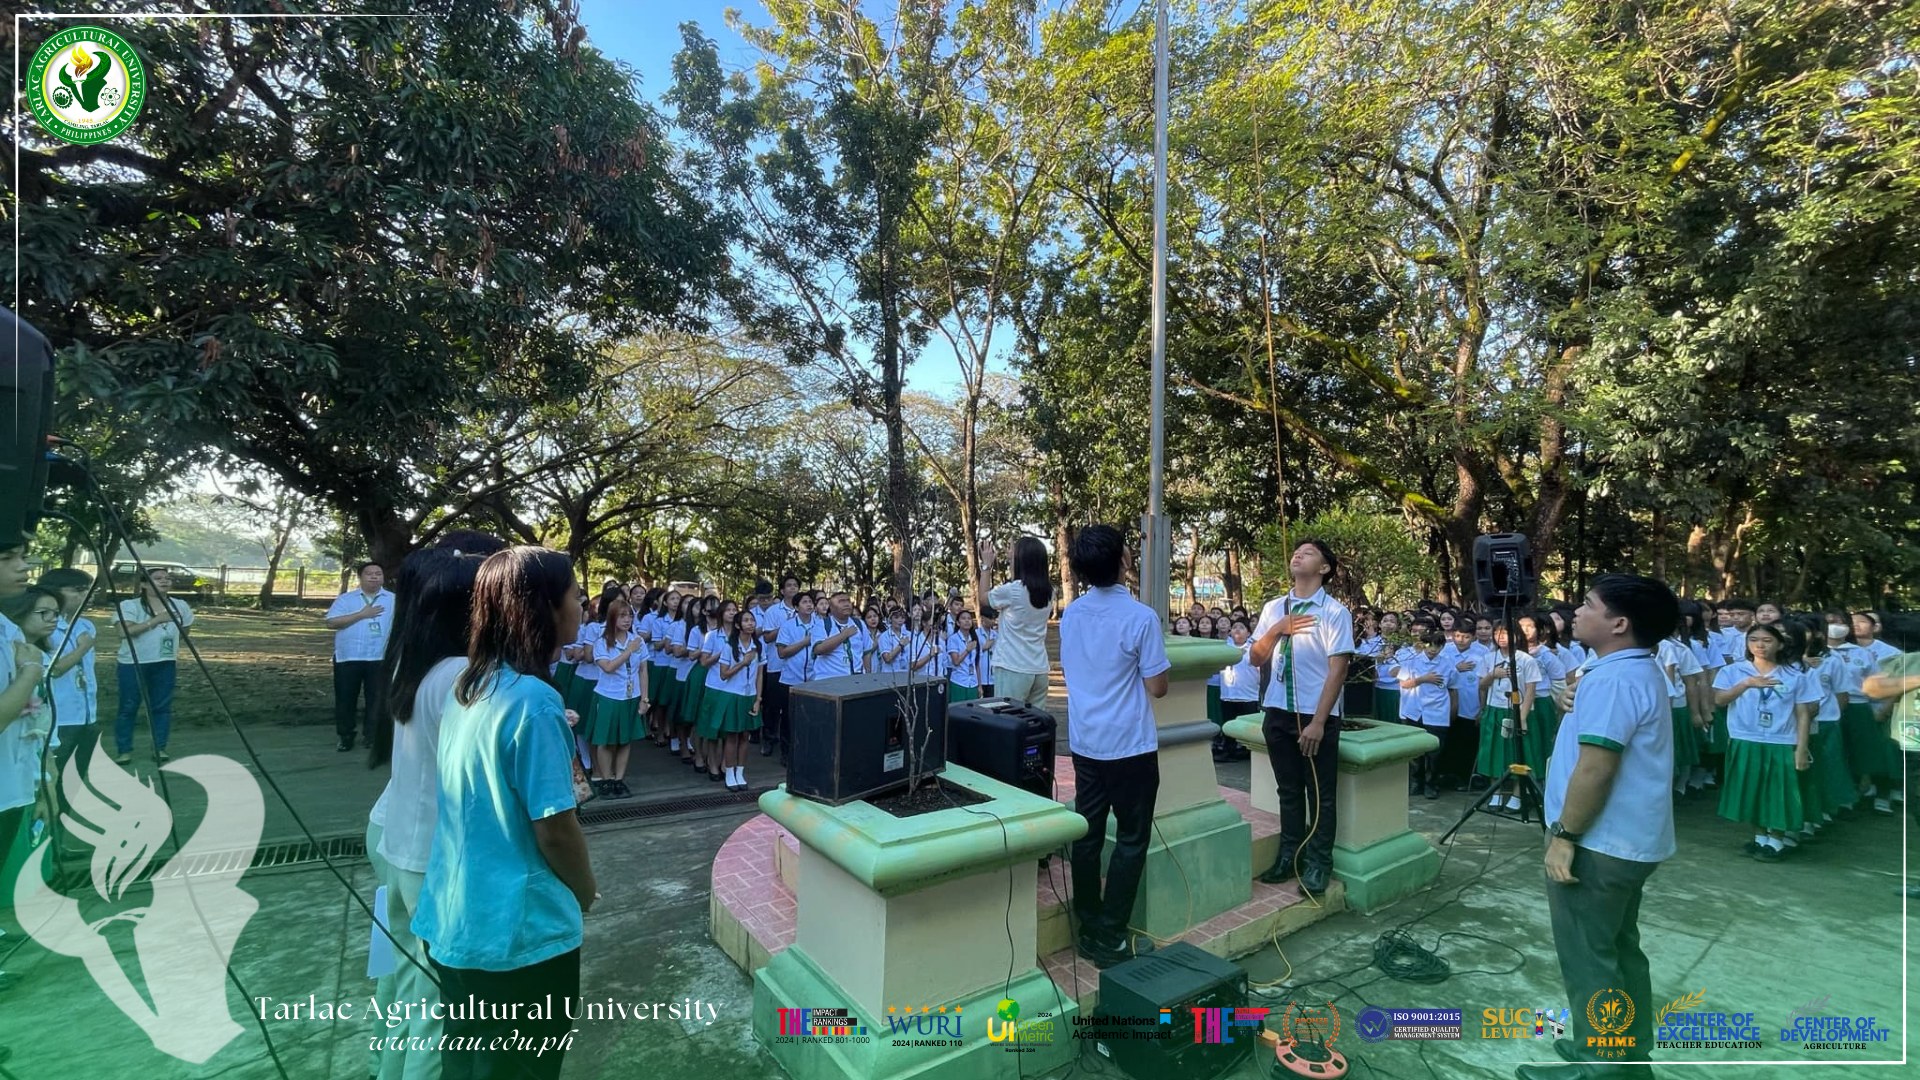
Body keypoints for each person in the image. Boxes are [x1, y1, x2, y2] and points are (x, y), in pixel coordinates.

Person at [412, 547, 595, 1080]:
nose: (582, 603)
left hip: (455, 916)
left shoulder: (471, 685)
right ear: (544, 607)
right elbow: (555, 828)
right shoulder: (534, 701)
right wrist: (583, 891)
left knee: (466, 1060)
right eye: (575, 593)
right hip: (518, 934)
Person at [1516, 574, 1677, 1080]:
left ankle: (1599, 1064)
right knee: (1618, 947)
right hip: (1631, 841)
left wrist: (1564, 836)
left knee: (1589, 955)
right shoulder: (1624, 669)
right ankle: (1628, 1053)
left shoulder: (1613, 678)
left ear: (1620, 623)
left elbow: (1596, 767)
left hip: (1599, 841)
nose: (1576, 613)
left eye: (1588, 605)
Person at [366, 545, 490, 1080]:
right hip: (435, 856)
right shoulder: (464, 676)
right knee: (437, 1011)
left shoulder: (412, 657)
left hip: (395, 837)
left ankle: (385, 1066)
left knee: (402, 979)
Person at [1058, 525, 1169, 969]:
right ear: (1124, 560)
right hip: (1129, 745)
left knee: (1086, 834)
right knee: (1130, 838)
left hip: (1086, 743)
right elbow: (1158, 687)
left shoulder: (1072, 614)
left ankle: (1087, 923)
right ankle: (1111, 935)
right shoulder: (1141, 618)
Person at [1250, 540, 1354, 894]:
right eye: (1296, 551)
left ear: (1325, 568)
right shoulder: (1274, 608)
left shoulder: (1335, 613)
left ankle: (1318, 863)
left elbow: (1337, 670)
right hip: (1278, 710)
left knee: (1321, 793)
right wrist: (1278, 628)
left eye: (1308, 553)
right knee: (1288, 789)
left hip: (1314, 714)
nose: (1297, 555)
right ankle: (1289, 857)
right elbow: (1256, 658)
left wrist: (1319, 722)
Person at [1713, 621, 1818, 861]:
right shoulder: (1734, 671)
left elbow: (1804, 713)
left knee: (1778, 791)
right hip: (1745, 737)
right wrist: (1746, 684)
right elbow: (1719, 700)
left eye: (1767, 640)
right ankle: (1760, 838)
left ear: (1780, 644)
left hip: (1781, 740)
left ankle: (1777, 841)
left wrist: (1801, 749)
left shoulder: (1796, 674)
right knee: (1753, 788)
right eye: (1754, 640)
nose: (1760, 645)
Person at [111, 567, 193, 764]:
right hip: (133, 663)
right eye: (157, 578)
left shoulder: (180, 605)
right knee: (128, 707)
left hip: (165, 662)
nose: (164, 581)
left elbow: (185, 630)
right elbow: (124, 632)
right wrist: (156, 620)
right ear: (144, 584)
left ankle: (159, 748)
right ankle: (124, 750)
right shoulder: (129, 605)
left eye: (167, 578)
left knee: (161, 707)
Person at [325, 562, 394, 752]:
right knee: (346, 699)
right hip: (349, 658)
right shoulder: (346, 600)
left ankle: (372, 737)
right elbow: (331, 623)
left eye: (378, 573)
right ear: (360, 577)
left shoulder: (393, 599)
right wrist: (362, 614)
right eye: (369, 573)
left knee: (377, 700)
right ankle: (346, 736)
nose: (374, 577)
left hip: (379, 658)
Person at [38, 568, 99, 779]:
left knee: (76, 778)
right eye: (78, 590)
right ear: (54, 591)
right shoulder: (45, 627)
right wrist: (82, 648)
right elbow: (52, 670)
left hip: (88, 715)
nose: (85, 595)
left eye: (88, 590)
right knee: (55, 777)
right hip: (60, 717)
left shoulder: (85, 625)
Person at [586, 596, 648, 799]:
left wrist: (644, 699)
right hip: (609, 696)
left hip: (631, 696)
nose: (627, 620)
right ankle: (606, 779)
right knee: (606, 740)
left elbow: (643, 670)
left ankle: (619, 779)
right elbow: (608, 667)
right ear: (612, 618)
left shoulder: (637, 641)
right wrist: (628, 652)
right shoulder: (602, 643)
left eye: (629, 615)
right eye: (622, 616)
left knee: (625, 740)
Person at [980, 536, 1054, 707]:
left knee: (1008, 722)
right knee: (1034, 724)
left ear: (1022, 561)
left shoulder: (1013, 591)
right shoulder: (1050, 592)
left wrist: (986, 566)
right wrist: (1014, 560)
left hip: (1013, 667)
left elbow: (983, 600)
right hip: (1039, 668)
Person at [699, 609, 763, 792]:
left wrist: (758, 698)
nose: (750, 623)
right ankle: (729, 772)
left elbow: (759, 674)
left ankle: (740, 772)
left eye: (752, 620)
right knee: (732, 736)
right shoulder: (729, 646)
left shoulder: (757, 646)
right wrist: (743, 662)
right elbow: (724, 674)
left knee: (745, 736)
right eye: (746, 620)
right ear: (738, 625)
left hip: (749, 695)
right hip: (731, 695)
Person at [1396, 630, 1451, 799]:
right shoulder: (1411, 661)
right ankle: (1415, 782)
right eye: (1429, 645)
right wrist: (1423, 679)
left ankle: (1431, 783)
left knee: (1435, 751)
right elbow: (1404, 684)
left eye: (1437, 646)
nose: (1433, 650)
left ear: (1442, 647)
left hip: (1437, 711)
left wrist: (1453, 710)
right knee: (1415, 751)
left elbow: (1453, 687)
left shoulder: (1447, 663)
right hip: (1414, 711)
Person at [757, 577, 799, 761]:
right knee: (772, 707)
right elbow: (767, 638)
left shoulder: (806, 611)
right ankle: (768, 738)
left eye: (796, 585)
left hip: (797, 669)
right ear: (782, 591)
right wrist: (786, 626)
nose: (793, 588)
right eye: (789, 585)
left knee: (791, 711)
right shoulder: (774, 611)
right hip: (776, 665)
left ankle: (787, 749)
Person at [1213, 619, 1259, 762]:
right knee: (1228, 724)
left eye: (1241, 628)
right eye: (1234, 627)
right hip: (1228, 694)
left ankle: (1247, 751)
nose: (1237, 630)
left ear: (1249, 632)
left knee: (1247, 726)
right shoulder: (1224, 647)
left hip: (1249, 695)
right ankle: (1229, 750)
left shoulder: (1253, 648)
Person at [810, 592, 869, 680]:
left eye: (848, 601)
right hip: (829, 679)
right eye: (841, 601)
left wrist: (867, 676)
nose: (846, 604)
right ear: (831, 607)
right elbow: (818, 649)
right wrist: (843, 635)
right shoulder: (822, 624)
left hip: (856, 679)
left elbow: (867, 652)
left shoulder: (859, 624)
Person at [945, 609, 986, 704]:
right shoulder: (953, 639)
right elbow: (956, 662)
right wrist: (967, 650)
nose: (967, 621)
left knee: (972, 712)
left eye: (969, 618)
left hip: (973, 682)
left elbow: (977, 664)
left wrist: (980, 685)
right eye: (963, 619)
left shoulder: (975, 639)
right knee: (958, 712)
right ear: (958, 623)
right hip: (959, 682)